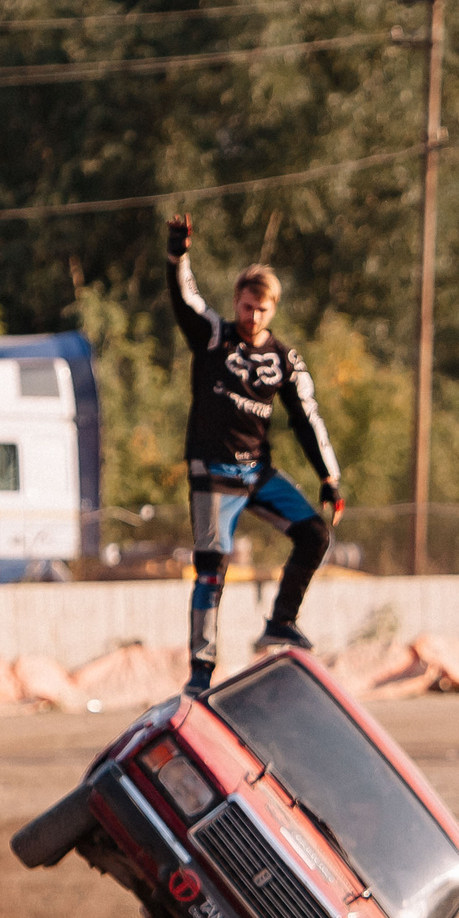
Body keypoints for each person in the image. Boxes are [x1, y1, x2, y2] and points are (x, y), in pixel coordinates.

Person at [164, 215, 344, 693]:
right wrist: (177, 255)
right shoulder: (213, 337)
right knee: (212, 568)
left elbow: (308, 417)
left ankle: (280, 622)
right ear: (237, 302)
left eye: (262, 310)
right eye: (247, 307)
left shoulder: (285, 359)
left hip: (257, 472)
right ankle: (201, 673)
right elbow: (185, 300)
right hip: (212, 474)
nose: (253, 317)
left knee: (314, 534)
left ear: (273, 310)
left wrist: (329, 478)